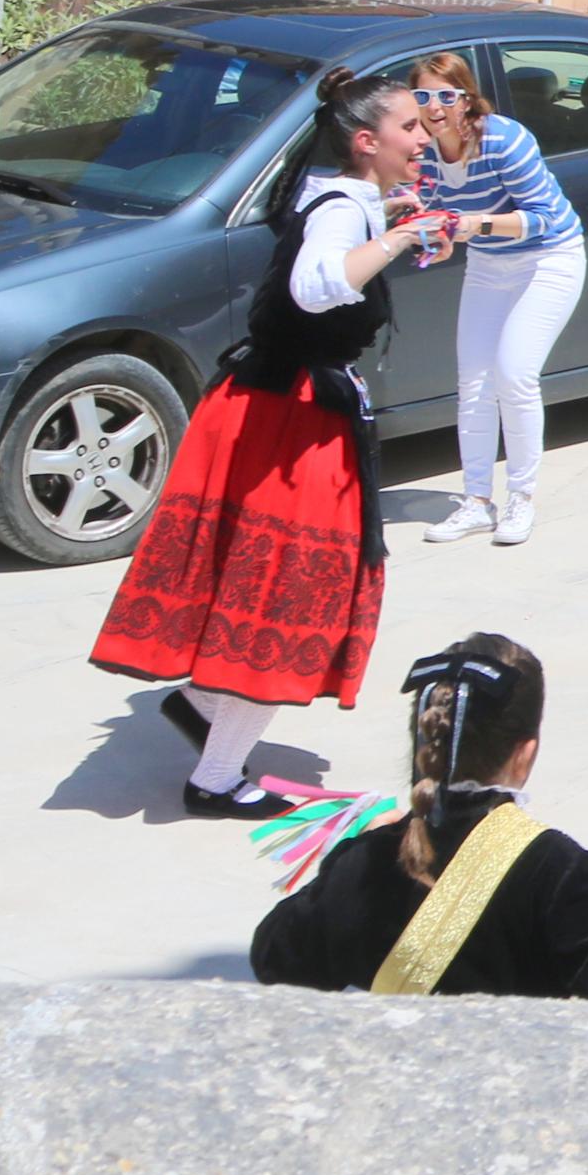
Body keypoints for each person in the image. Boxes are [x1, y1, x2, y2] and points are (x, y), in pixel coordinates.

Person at [93, 63, 450, 817]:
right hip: (289, 426)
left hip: (274, 410)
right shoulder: (338, 212)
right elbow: (315, 287)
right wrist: (403, 234)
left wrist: (393, 219)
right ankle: (216, 779)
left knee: (256, 584)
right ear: (365, 140)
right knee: (287, 596)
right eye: (411, 126)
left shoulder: (345, 196)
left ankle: (199, 703)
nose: (424, 137)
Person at [250, 632, 588, 996]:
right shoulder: (554, 870)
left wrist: (351, 851)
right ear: (525, 754)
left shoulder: (365, 860)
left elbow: (276, 958)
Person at [403, 49, 586, 550]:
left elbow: (544, 218)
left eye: (446, 95)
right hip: (488, 263)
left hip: (549, 259)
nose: (434, 106)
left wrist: (475, 225)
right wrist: (439, 239)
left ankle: (521, 497)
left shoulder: (503, 139)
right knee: (474, 381)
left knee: (515, 375)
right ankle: (476, 502)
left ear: (466, 99)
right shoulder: (424, 154)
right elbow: (437, 215)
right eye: (422, 95)